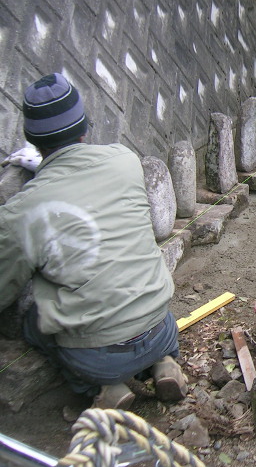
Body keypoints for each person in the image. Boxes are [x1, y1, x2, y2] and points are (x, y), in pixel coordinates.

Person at [0, 73, 187, 410]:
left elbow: (4, 289)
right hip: (161, 329)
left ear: (33, 141)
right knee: (139, 314)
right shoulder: (125, 160)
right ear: (84, 127)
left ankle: (104, 388)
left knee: (32, 322)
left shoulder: (21, 211)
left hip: (97, 357)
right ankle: (165, 364)